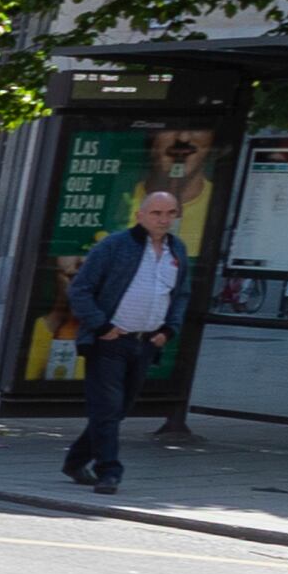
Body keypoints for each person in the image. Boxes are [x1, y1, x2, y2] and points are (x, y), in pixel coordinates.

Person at [61, 186, 187, 495]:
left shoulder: (176, 250)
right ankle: (109, 470)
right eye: (156, 213)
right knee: (107, 406)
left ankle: (76, 460)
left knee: (119, 408)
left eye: (170, 213)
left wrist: (168, 330)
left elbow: (180, 294)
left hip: (145, 342)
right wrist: (101, 325)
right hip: (111, 341)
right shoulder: (116, 246)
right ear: (140, 215)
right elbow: (80, 289)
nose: (163, 220)